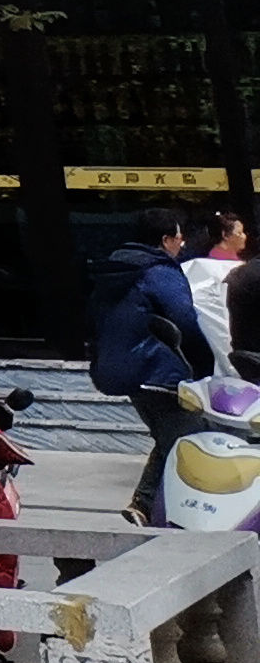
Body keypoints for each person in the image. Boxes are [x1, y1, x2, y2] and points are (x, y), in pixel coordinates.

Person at [91, 205, 214, 526]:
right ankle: (172, 510)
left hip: (123, 370)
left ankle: (144, 506)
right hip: (160, 371)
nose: (182, 243)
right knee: (191, 437)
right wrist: (204, 365)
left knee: (171, 436)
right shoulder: (158, 272)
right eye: (178, 236)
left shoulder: (115, 270)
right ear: (165, 239)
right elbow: (185, 319)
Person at [191, 208, 249, 377]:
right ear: (225, 234)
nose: (245, 236)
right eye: (240, 232)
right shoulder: (232, 271)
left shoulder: (195, 267)